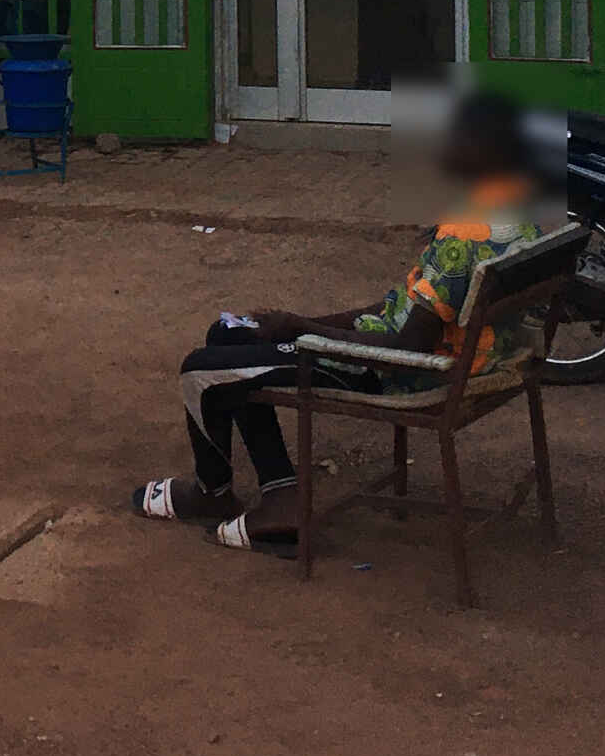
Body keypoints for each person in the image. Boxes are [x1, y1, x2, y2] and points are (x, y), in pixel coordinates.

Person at [131, 89, 550, 556]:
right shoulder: (516, 212)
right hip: (460, 357)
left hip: (406, 373)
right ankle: (279, 492)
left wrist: (302, 330)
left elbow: (405, 348)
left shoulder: (462, 235)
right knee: (227, 334)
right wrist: (302, 324)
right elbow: (407, 308)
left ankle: (214, 493)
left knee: (200, 369)